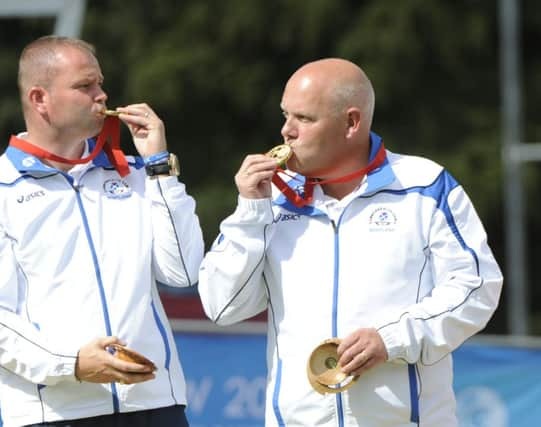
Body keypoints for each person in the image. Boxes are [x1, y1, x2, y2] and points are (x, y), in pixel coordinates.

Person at [198, 58, 503, 426]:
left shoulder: (424, 186)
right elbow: (221, 305)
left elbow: (477, 286)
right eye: (285, 115)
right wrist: (249, 211)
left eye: (304, 119)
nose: (286, 131)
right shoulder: (271, 202)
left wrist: (391, 339)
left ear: (351, 123)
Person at [0, 35, 204, 427]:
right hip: (55, 413)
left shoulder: (138, 174)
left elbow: (184, 272)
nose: (101, 96)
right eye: (85, 86)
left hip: (155, 405)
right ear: (40, 99)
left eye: (100, 84)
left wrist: (158, 165)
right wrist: (71, 364)